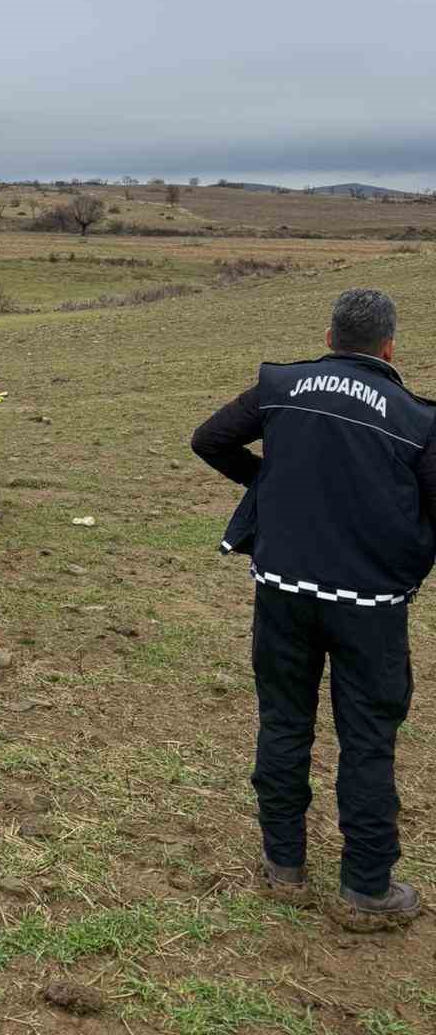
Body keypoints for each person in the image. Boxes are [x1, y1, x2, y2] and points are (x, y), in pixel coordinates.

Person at [192, 287, 436, 928]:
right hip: (371, 605)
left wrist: (269, 486)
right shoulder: (418, 420)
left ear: (329, 339)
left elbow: (210, 439)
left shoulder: (282, 385)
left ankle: (284, 869)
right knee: (367, 739)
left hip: (281, 589)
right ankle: (367, 889)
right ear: (389, 347)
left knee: (283, 721)